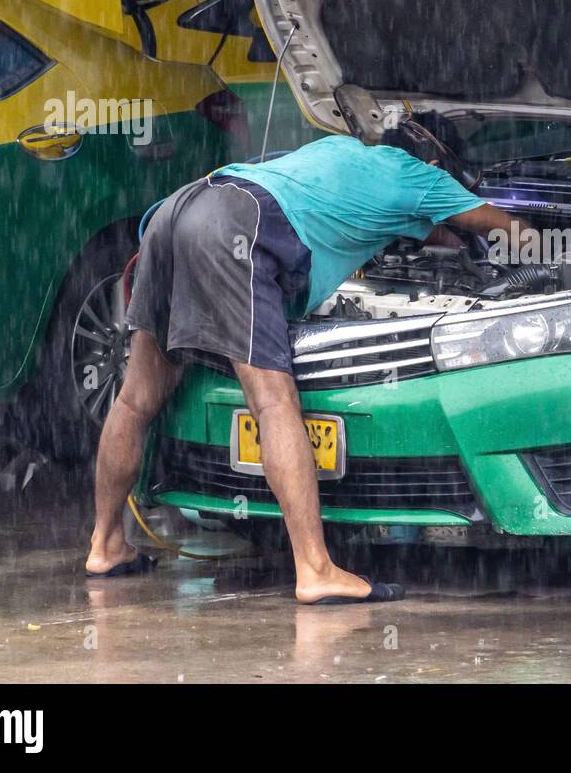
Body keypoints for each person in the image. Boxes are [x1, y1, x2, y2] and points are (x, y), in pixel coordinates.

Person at [84, 102, 528, 604]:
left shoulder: (341, 150)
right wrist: (569, 251)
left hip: (179, 210)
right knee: (273, 402)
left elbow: (417, 226)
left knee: (136, 398)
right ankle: (315, 569)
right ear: (436, 161)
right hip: (237, 229)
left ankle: (105, 544)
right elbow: (500, 226)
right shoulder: (421, 177)